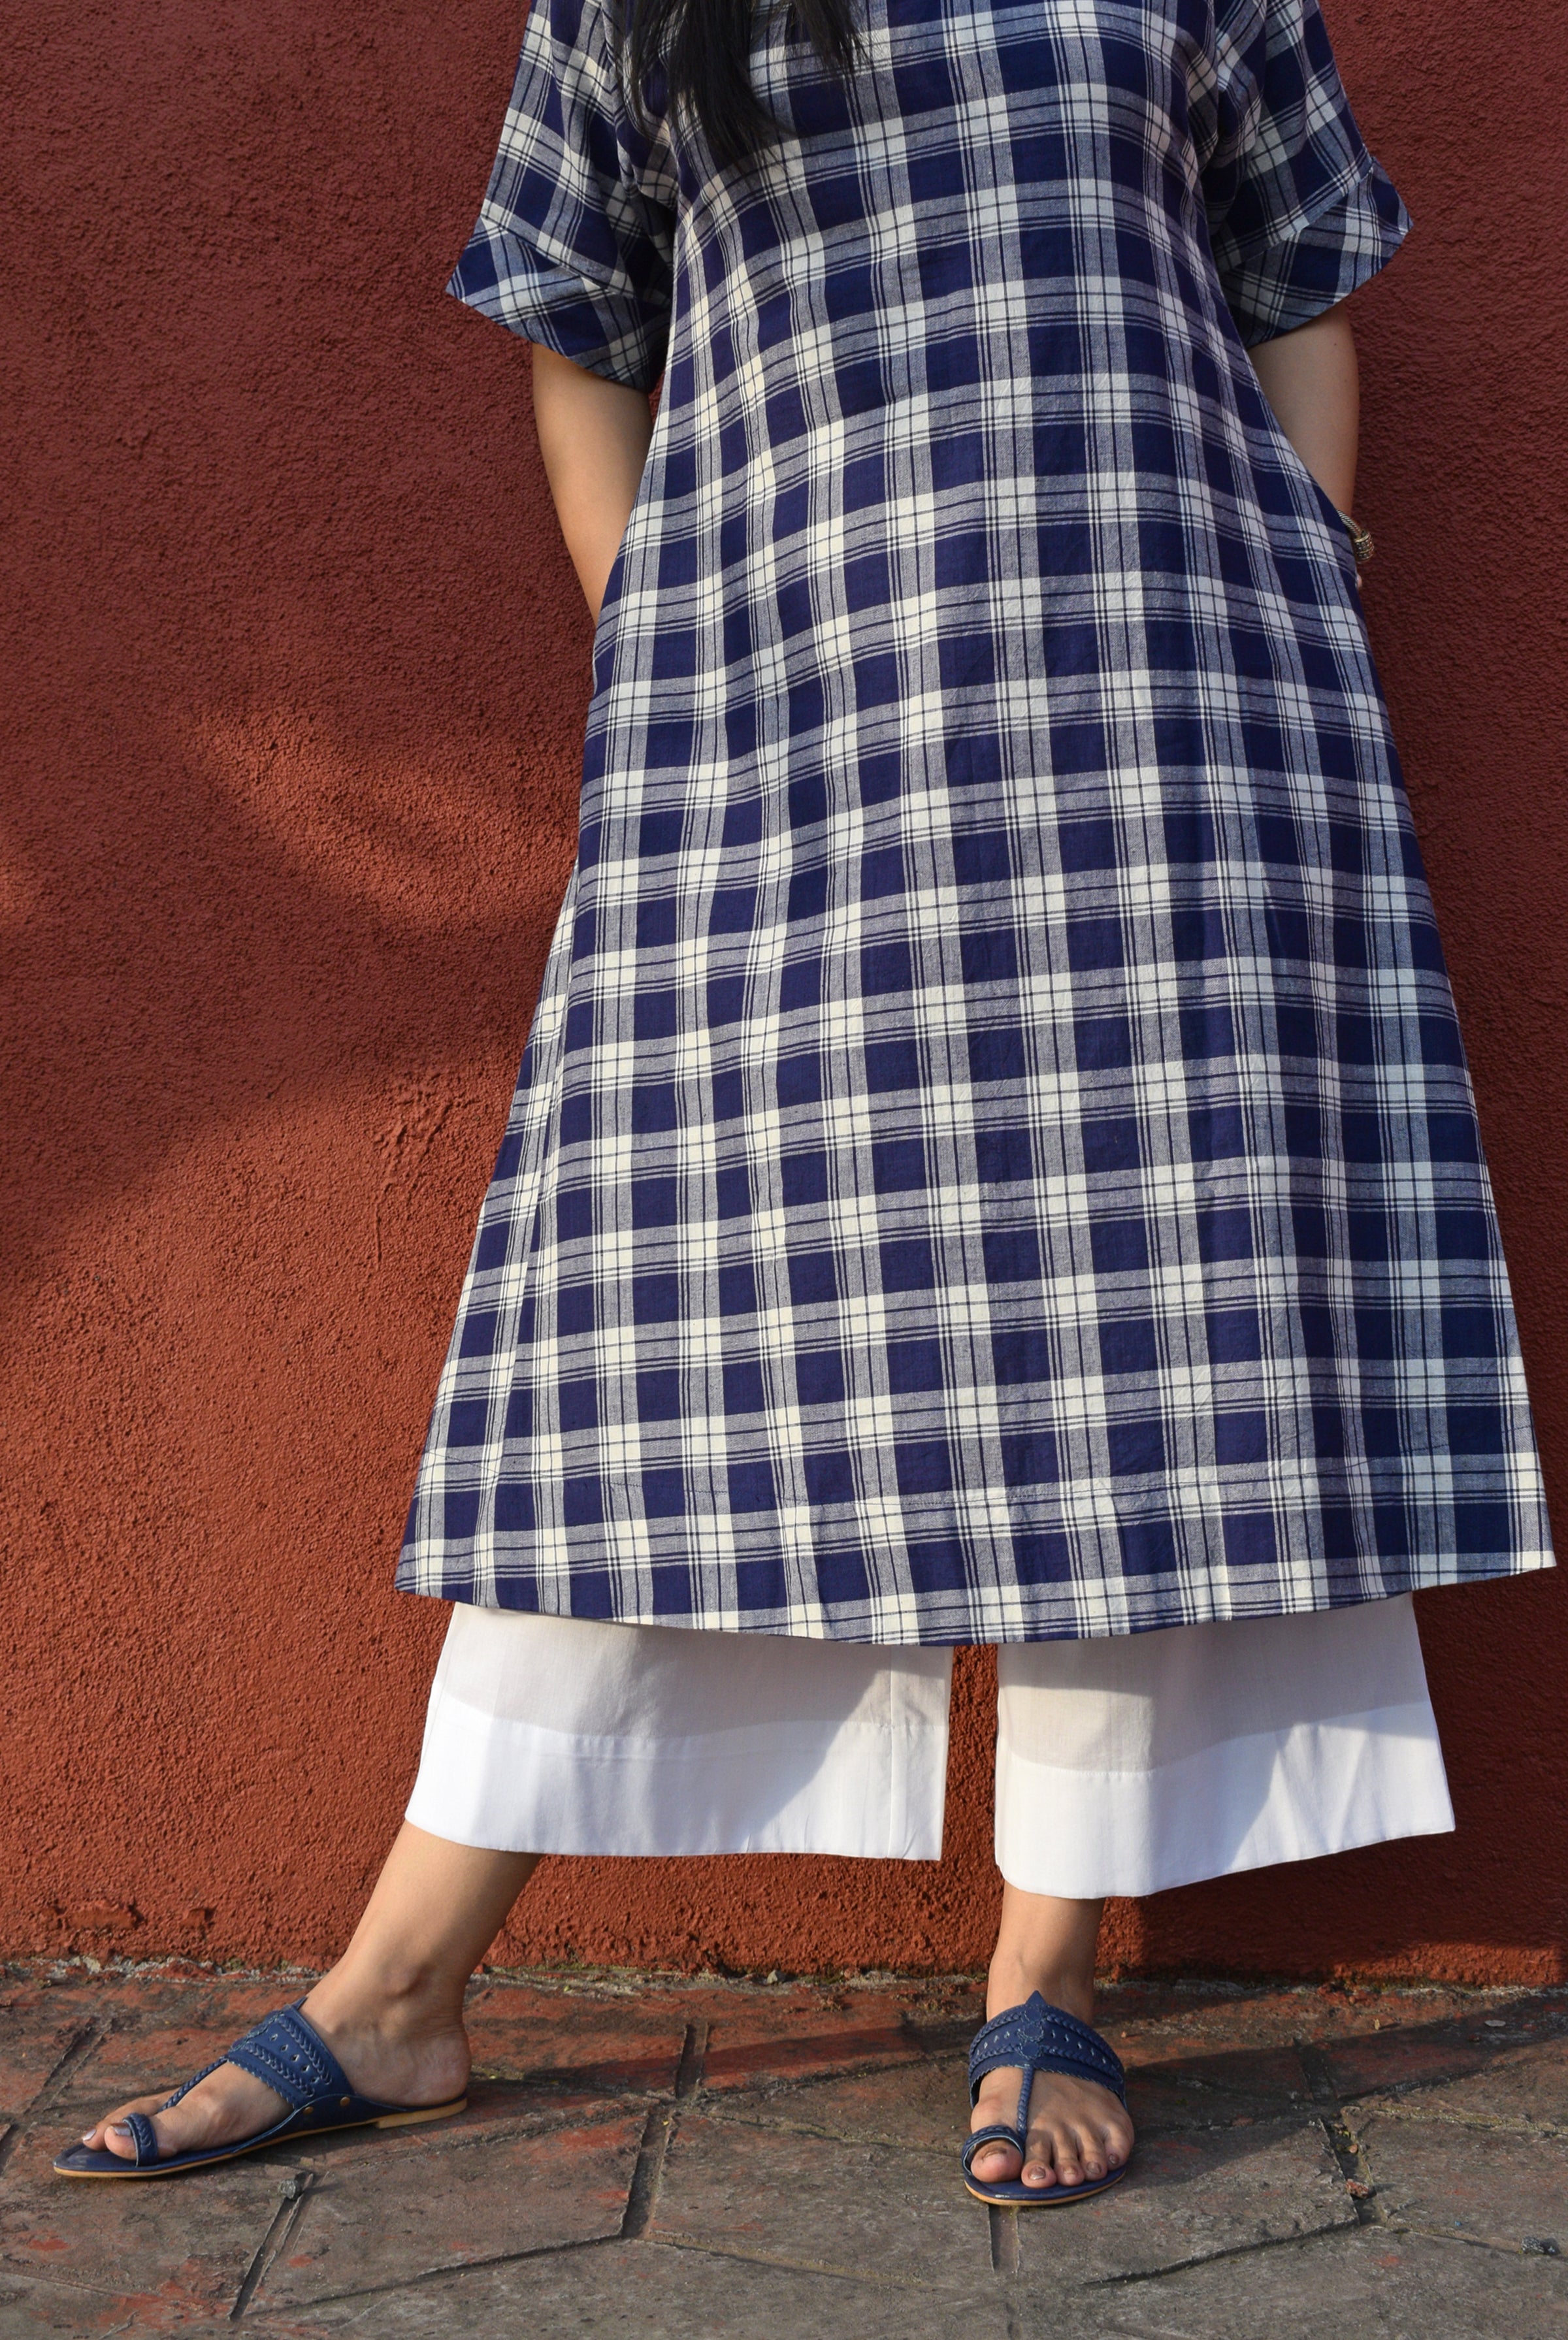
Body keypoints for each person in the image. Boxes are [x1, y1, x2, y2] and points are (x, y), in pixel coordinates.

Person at [60, 0, 1552, 2204]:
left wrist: (1305, 578)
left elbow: (1298, 280)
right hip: (783, 730)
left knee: (1130, 1319)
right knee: (649, 1329)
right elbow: (575, 324)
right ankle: (399, 1990)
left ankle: (1045, 1973)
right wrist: (656, 637)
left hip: (1167, 712)